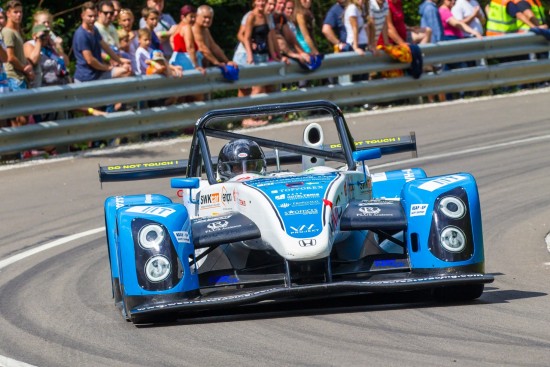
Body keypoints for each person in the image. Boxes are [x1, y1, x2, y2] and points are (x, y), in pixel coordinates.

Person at [72, 1, 131, 83]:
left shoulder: (94, 29)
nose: (93, 19)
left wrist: (120, 61)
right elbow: (90, 60)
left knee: (126, 70)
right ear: (82, 16)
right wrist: (108, 67)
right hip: (86, 78)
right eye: (90, 16)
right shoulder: (81, 35)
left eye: (94, 16)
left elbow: (106, 47)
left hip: (98, 74)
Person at [193, 5, 238, 70]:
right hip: (193, 68)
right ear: (197, 16)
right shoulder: (194, 28)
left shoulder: (205, 30)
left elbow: (214, 47)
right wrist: (216, 62)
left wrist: (227, 61)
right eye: (205, 17)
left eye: (210, 18)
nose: (207, 20)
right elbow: (202, 48)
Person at [24, 24, 70, 89]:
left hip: (60, 86)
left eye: (47, 34)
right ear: (34, 36)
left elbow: (66, 62)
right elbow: (33, 61)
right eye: (43, 35)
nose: (45, 37)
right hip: (42, 88)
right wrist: (39, 41)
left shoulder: (50, 47)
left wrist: (56, 46)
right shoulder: (30, 45)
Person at [1, 0, 33, 91]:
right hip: (14, 78)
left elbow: (20, 55)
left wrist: (28, 66)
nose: (19, 15)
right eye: (15, 12)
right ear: (8, 13)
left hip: (20, 78)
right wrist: (24, 69)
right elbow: (10, 57)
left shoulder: (16, 31)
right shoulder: (8, 32)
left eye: (20, 12)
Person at [170, 5, 204, 74]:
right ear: (182, 17)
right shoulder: (186, 27)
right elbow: (190, 47)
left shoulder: (176, 27)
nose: (193, 19)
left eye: (195, 17)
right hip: (187, 61)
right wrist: (196, 65)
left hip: (177, 60)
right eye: (191, 16)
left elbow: (171, 41)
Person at [118, 8, 139, 73]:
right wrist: (129, 39)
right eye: (124, 20)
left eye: (129, 20)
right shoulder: (118, 35)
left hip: (139, 67)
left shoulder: (137, 33)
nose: (127, 22)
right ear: (119, 22)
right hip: (129, 69)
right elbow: (122, 50)